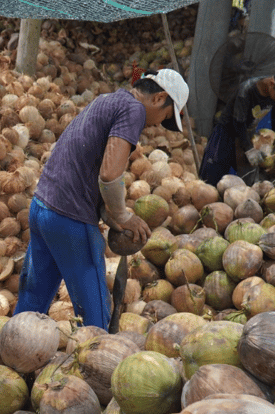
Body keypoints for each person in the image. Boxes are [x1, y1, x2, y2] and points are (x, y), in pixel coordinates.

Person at [14, 68, 189, 330]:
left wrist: (108, 214)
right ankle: (92, 367)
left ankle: (10, 359)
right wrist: (122, 215)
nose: (156, 125)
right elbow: (109, 174)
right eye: (164, 116)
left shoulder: (107, 100)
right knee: (94, 316)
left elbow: (87, 165)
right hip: (70, 218)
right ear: (158, 98)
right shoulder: (135, 111)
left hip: (42, 207)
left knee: (32, 299)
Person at [200, 70, 275, 186]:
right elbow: (238, 122)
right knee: (213, 173)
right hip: (226, 131)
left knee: (248, 176)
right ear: (271, 84)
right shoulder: (246, 91)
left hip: (247, 133)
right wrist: (249, 149)